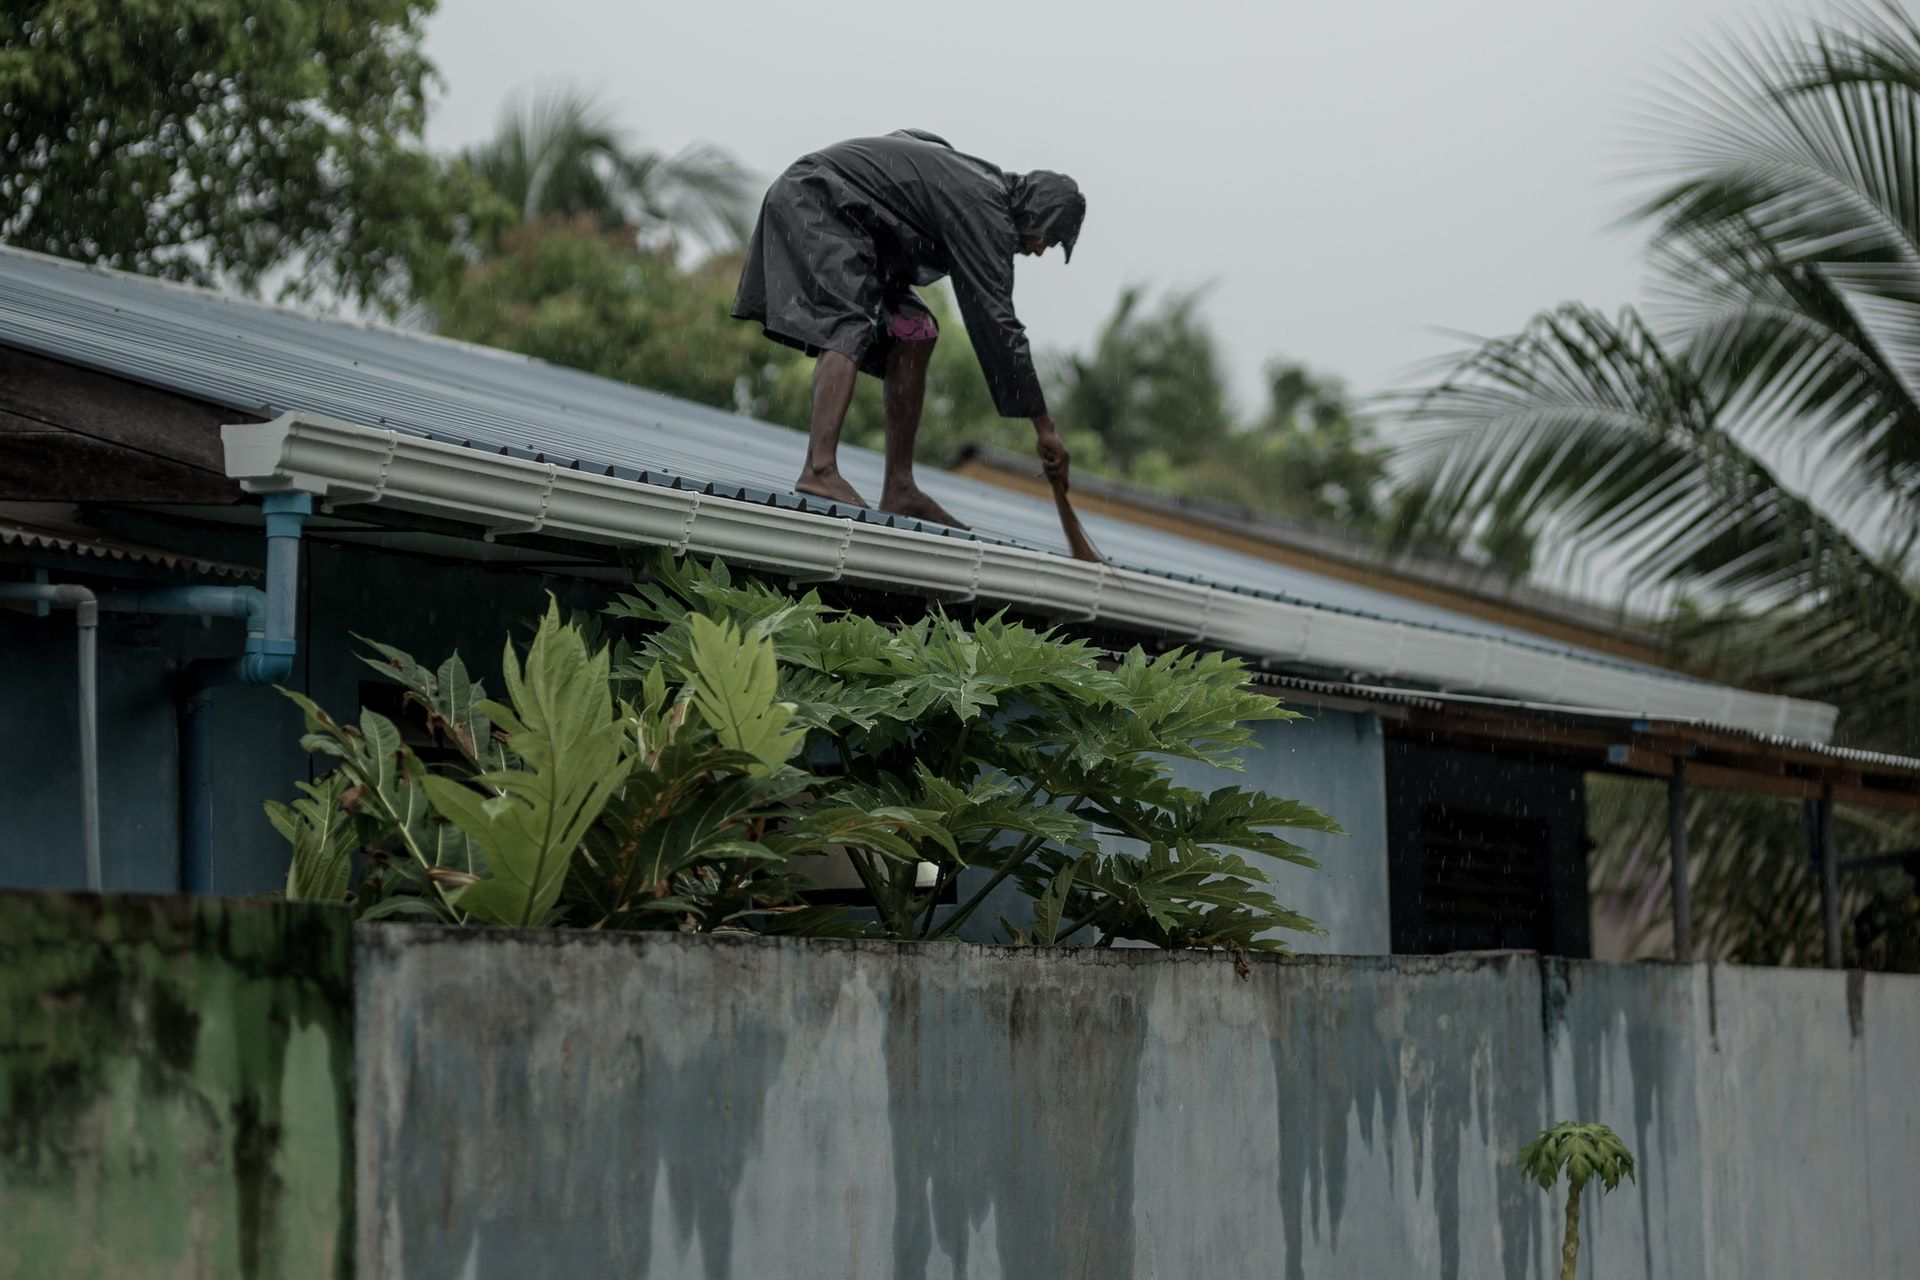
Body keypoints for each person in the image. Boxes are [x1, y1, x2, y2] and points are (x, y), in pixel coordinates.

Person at [732, 129, 1085, 528]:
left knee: (916, 330)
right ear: (1042, 211)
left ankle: (900, 487)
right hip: (818, 199)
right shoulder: (984, 206)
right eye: (1050, 239)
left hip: (860, 231)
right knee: (851, 320)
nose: (1039, 250)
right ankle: (819, 469)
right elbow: (997, 321)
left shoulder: (977, 187)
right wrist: (1045, 427)